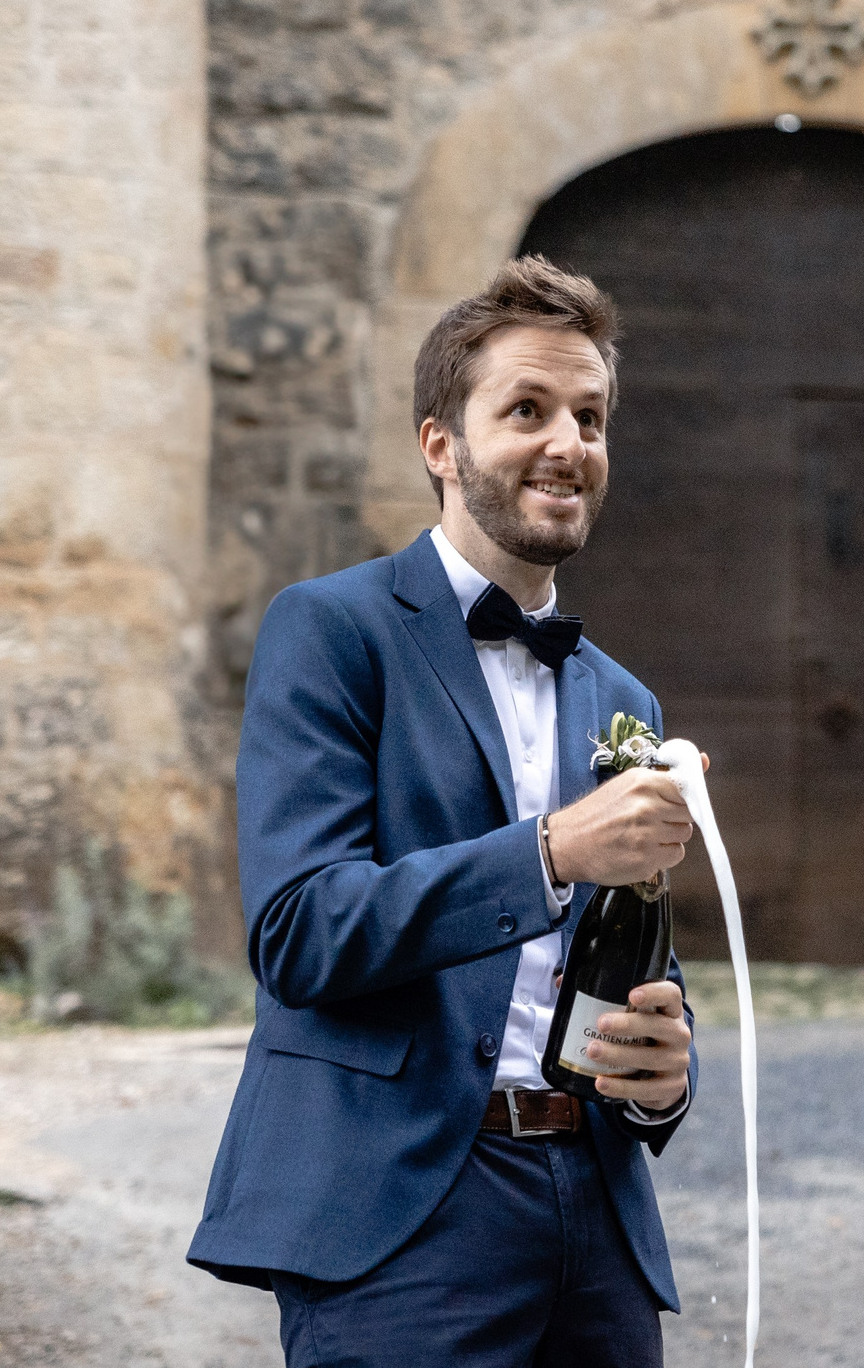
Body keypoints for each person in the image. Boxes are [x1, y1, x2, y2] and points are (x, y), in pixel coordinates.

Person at [189, 255, 700, 1368]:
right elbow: (300, 932)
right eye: (527, 410)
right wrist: (553, 851)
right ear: (440, 445)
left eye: (590, 415)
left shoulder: (625, 699)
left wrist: (666, 1069)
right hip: (403, 1212)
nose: (569, 442)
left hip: (597, 1222)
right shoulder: (330, 631)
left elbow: (636, 959)